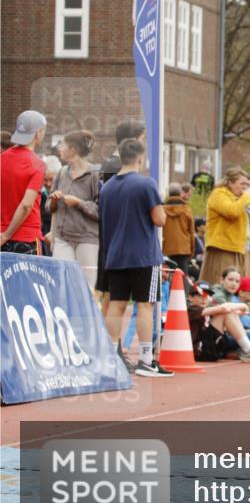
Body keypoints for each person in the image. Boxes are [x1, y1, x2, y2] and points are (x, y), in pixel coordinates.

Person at [98, 138, 173, 377]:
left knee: (116, 305)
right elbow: (159, 219)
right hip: (143, 255)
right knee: (145, 305)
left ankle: (110, 357)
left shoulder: (107, 188)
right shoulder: (146, 184)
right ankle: (146, 360)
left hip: (115, 254)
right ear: (140, 158)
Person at [97, 119, 145, 314]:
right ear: (132, 142)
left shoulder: (112, 163)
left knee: (113, 296)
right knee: (111, 295)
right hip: (116, 239)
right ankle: (104, 332)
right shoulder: (114, 166)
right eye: (142, 139)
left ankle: (107, 331)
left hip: (115, 237)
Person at [48, 130, 100, 291]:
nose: (60, 149)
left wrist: (79, 203)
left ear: (73, 149)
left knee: (87, 288)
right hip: (62, 238)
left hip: (87, 239)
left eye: (63, 145)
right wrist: (53, 200)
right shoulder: (61, 172)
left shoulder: (95, 174)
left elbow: (102, 210)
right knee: (61, 286)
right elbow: (49, 206)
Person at [202, 266, 250, 361]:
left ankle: (248, 349)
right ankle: (247, 349)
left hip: (219, 334)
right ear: (222, 280)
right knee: (231, 314)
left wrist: (245, 331)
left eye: (237, 281)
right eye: (230, 280)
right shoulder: (218, 295)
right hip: (208, 340)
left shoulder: (228, 295)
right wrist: (245, 306)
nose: (234, 284)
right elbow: (225, 309)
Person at [1, 110, 48, 254]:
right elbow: (26, 205)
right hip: (26, 237)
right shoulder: (37, 164)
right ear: (38, 134)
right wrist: (7, 234)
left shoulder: (2, 159)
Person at [201, 166, 250, 283]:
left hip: (239, 249)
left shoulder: (238, 198)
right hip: (223, 249)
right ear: (230, 183)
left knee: (242, 288)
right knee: (221, 285)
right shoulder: (218, 194)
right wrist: (246, 197)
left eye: (247, 184)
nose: (245, 188)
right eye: (242, 184)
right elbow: (231, 211)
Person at [162, 182, 196, 275]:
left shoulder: (162, 209)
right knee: (181, 276)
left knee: (167, 275)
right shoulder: (186, 210)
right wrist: (192, 250)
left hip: (167, 247)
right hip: (183, 248)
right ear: (180, 193)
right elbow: (191, 231)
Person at [40, 155, 62, 255]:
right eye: (45, 180)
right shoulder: (39, 194)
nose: (48, 184)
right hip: (43, 239)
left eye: (51, 179)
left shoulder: (64, 194)